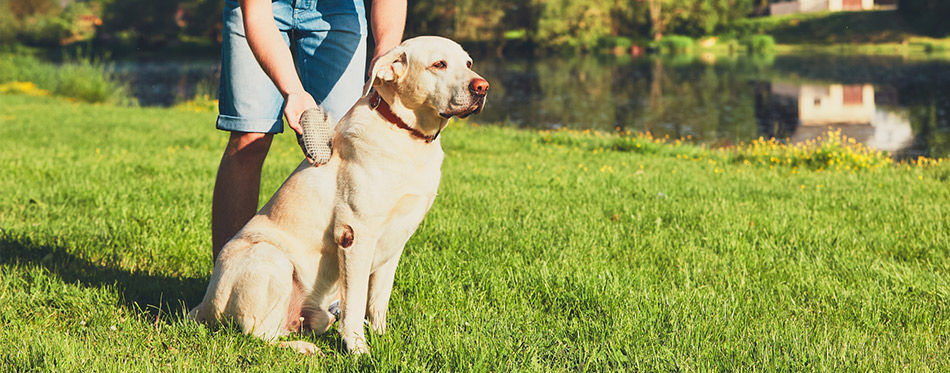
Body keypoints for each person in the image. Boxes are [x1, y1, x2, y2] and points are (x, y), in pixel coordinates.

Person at [211, 0, 406, 261]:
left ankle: (331, 295)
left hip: (338, 9)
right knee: (251, 136)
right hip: (260, 9)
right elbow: (256, 16)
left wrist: (385, 53)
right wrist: (293, 91)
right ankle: (225, 282)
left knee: (342, 144)